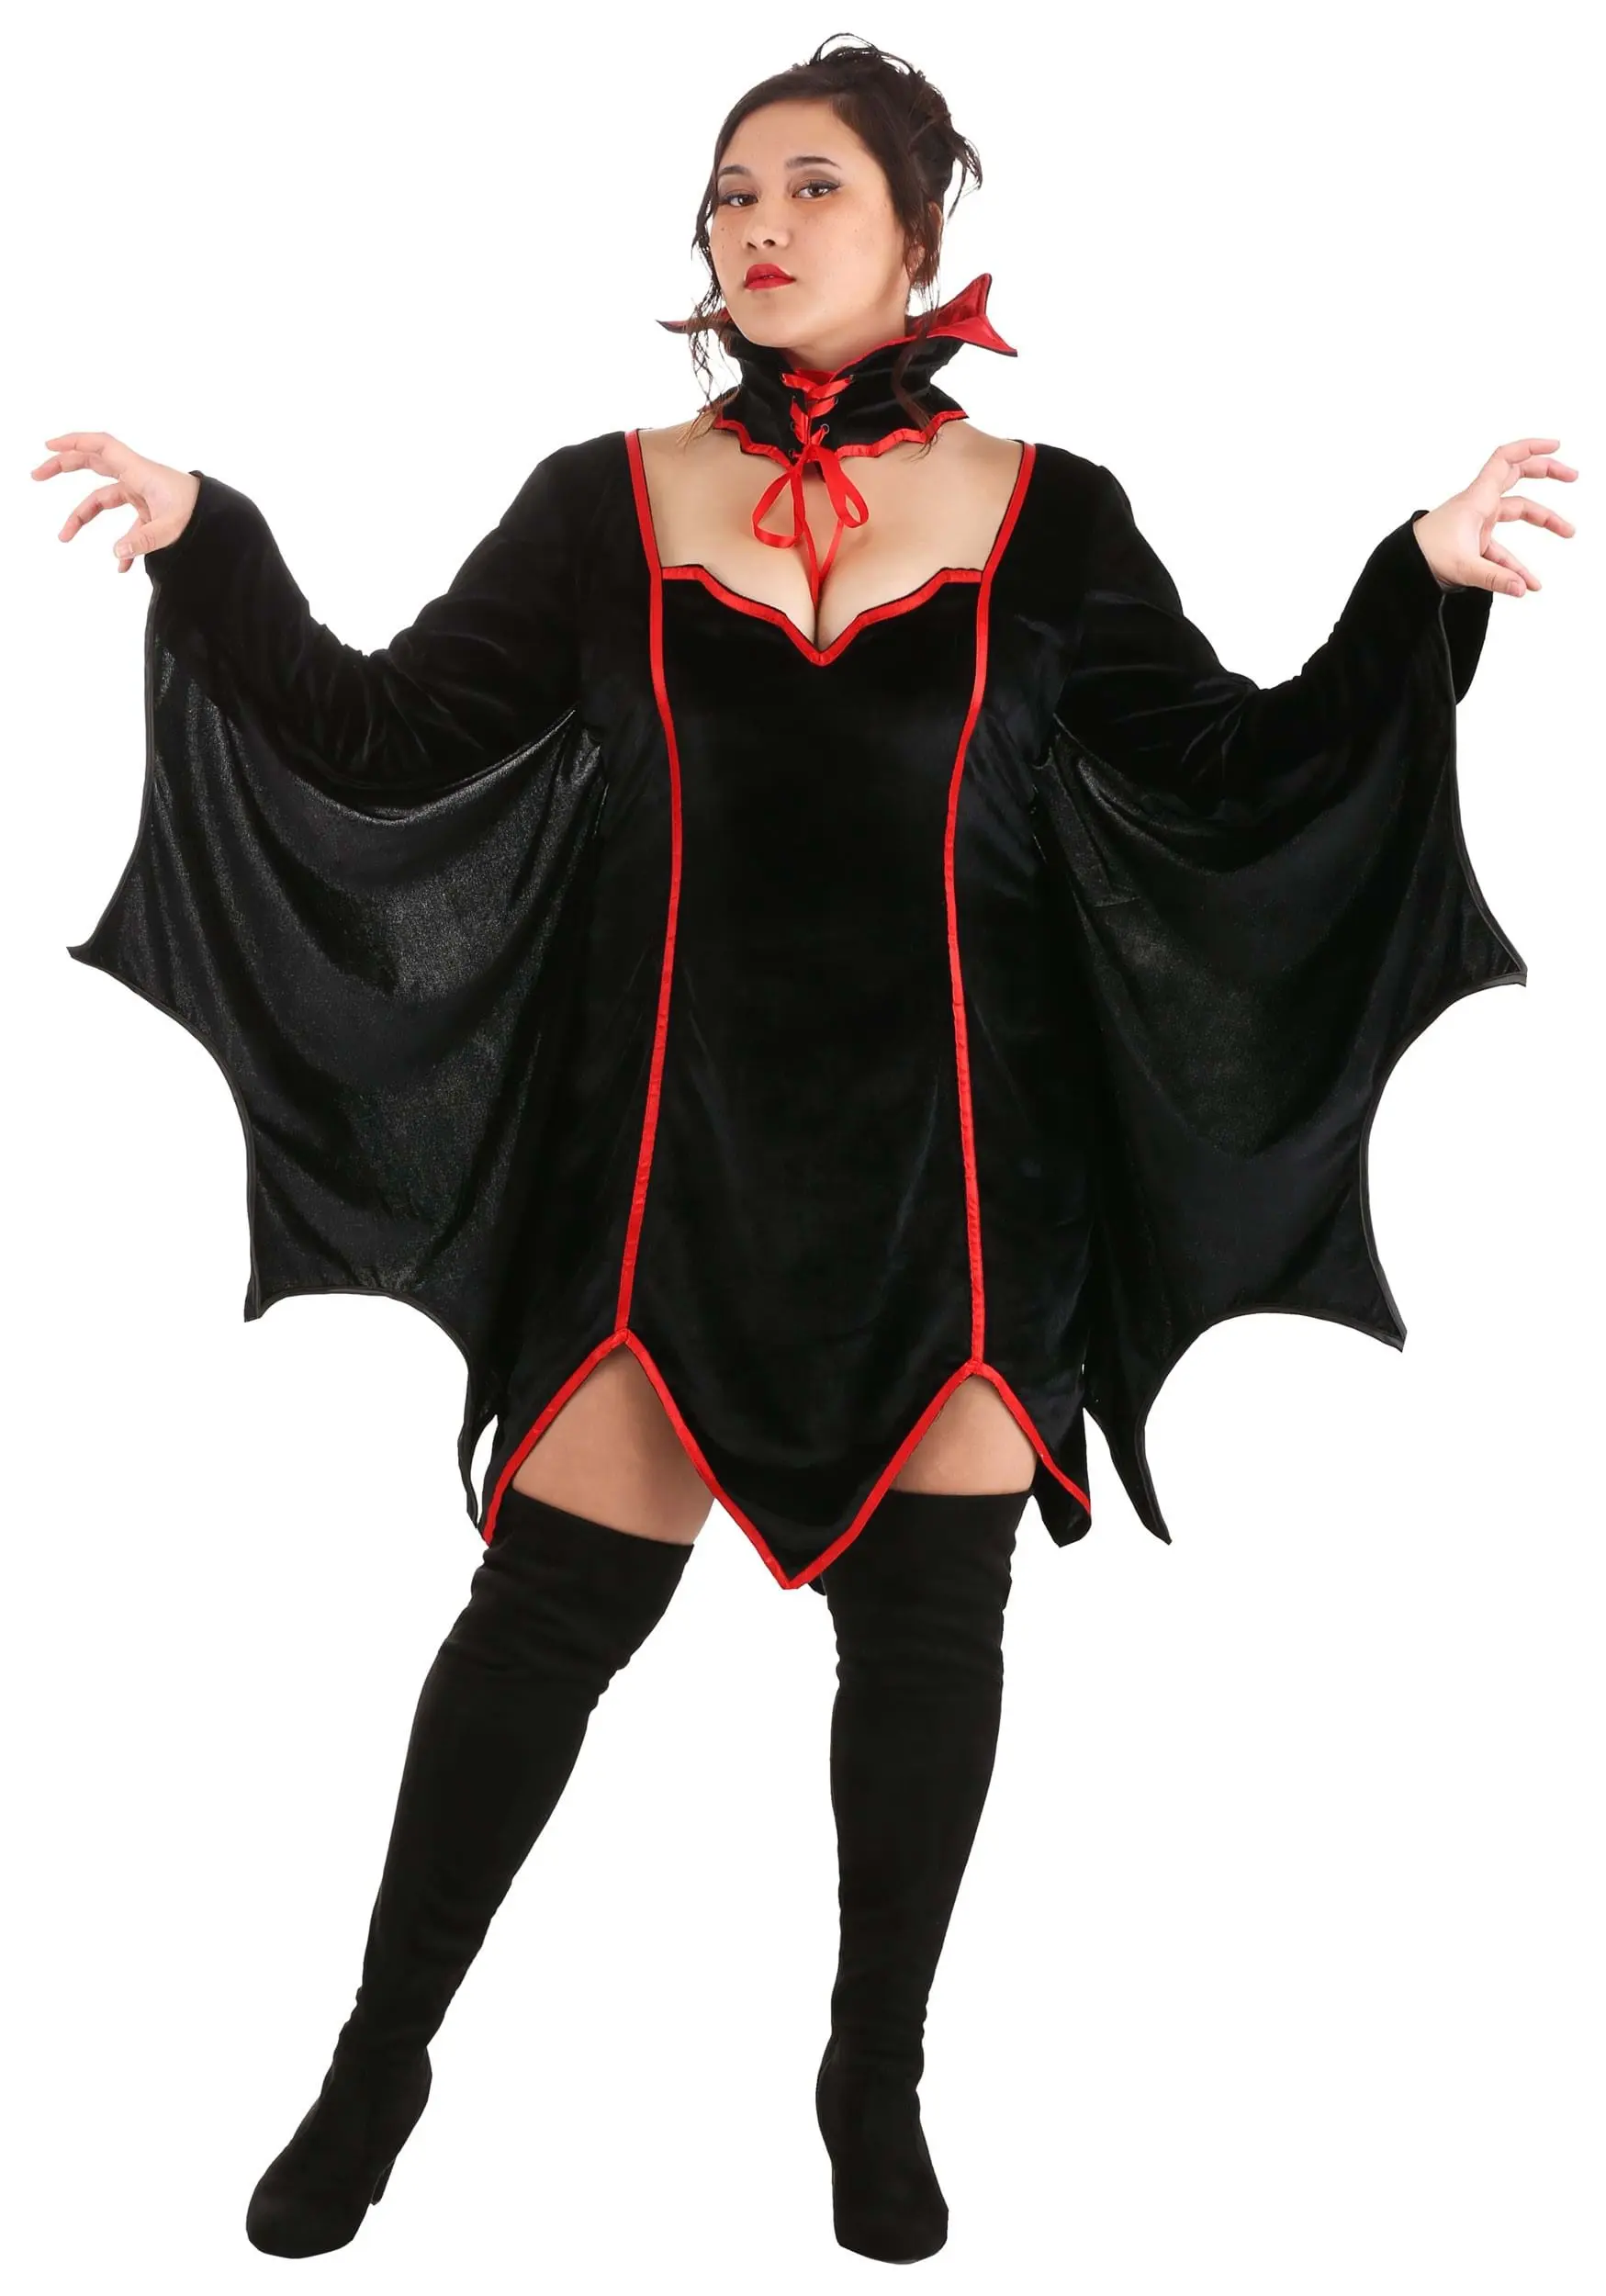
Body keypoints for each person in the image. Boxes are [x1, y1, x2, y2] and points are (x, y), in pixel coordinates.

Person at [36, 31, 1568, 2271]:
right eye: (731, 192)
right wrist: (215, 539)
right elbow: (382, 730)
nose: (757, 224)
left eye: (812, 186)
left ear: (921, 232)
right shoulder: (602, 501)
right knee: (541, 1619)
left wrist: (1413, 584)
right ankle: (379, 2055)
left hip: (968, 1187)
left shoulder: (1053, 516)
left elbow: (1233, 776)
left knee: (929, 1634)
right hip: (662, 1165)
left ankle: (874, 2071)